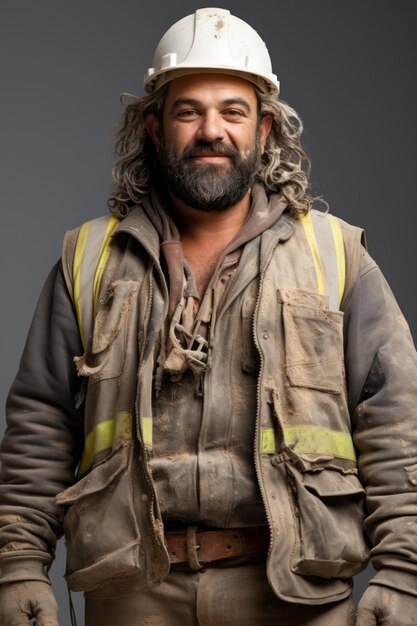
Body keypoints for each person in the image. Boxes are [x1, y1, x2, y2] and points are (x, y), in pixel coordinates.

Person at [1, 7, 417, 625]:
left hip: (296, 593)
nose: (211, 130)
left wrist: (405, 573)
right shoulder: (89, 260)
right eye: (188, 110)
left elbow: (396, 421)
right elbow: (40, 425)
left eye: (233, 111)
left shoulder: (335, 256)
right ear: (154, 127)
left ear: (266, 129)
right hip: (133, 590)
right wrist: (17, 564)